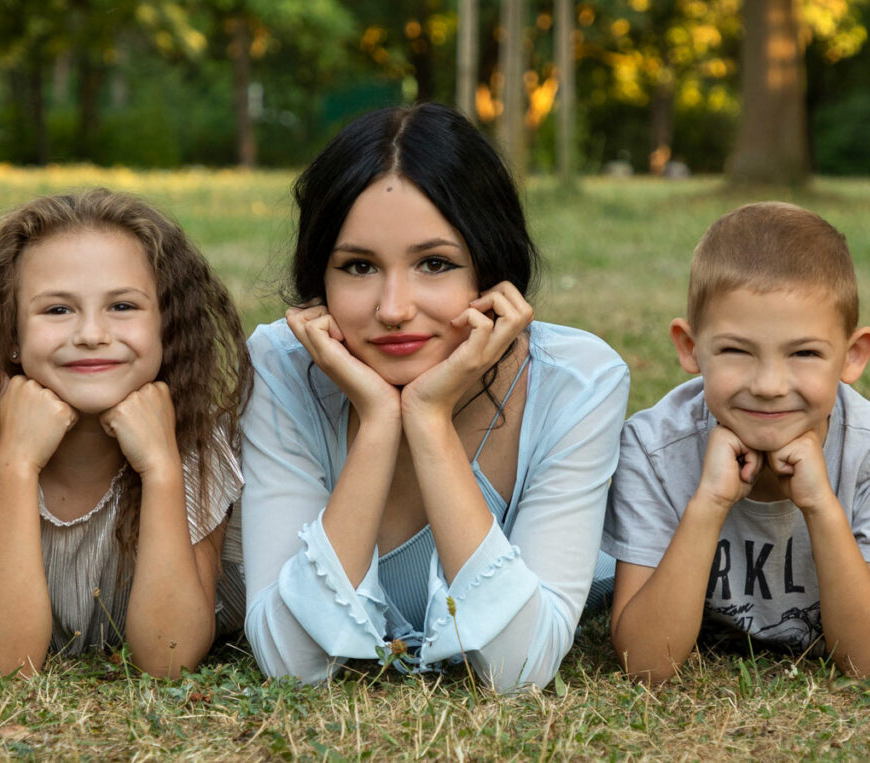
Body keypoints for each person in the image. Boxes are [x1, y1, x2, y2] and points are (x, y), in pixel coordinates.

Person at [240, 102, 630, 692]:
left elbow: (518, 669)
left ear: (492, 270)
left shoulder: (577, 381)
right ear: (320, 277)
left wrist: (426, 417)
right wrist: (376, 423)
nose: (394, 309)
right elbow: (290, 663)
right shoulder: (280, 367)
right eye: (359, 266)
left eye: (434, 263)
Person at [0, 189, 250, 677]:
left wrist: (161, 467)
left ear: (166, 329)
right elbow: (7, 660)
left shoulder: (195, 441)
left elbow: (170, 657)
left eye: (123, 306)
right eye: (57, 310)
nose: (91, 334)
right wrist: (16, 461)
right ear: (11, 336)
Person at [603, 202, 870, 682]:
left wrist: (820, 506)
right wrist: (709, 502)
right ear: (690, 348)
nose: (770, 384)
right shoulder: (653, 449)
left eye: (805, 353)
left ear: (853, 356)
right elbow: (646, 665)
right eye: (736, 350)